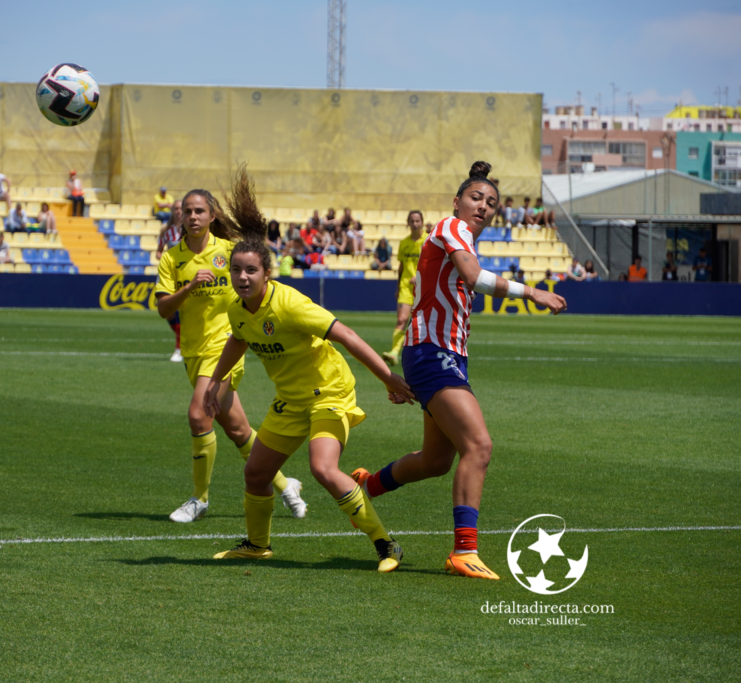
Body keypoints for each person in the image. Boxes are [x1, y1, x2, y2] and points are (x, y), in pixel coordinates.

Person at [350, 161, 567, 580]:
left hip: (439, 352)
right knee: (479, 446)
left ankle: (366, 486)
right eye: (475, 198)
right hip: (432, 353)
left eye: (491, 203)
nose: (483, 206)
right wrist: (533, 292)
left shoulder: (459, 237)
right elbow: (474, 277)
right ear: (457, 201)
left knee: (435, 460)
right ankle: (464, 551)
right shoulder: (452, 227)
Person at [205, 165, 413, 571]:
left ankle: (386, 545)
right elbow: (238, 338)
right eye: (236, 270)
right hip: (291, 399)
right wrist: (216, 381)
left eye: (251, 271)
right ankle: (257, 545)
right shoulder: (238, 309)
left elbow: (347, 335)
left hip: (330, 392)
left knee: (322, 468)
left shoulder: (291, 304)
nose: (243, 277)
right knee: (256, 472)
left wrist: (388, 377)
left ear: (268, 273)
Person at [155, 187, 306, 523]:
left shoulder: (229, 252)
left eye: (199, 211)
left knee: (198, 414)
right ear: (180, 215)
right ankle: (285, 485)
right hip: (194, 352)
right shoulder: (172, 257)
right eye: (187, 211)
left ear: (212, 216)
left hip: (227, 347)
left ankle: (199, 499)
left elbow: (259, 283)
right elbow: (163, 307)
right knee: (238, 430)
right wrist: (189, 287)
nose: (193, 217)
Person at [382, 211, 426, 365]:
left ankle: (422, 355)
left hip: (424, 287)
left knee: (422, 322)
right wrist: (397, 287)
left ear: (422, 222)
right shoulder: (404, 243)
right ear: (408, 223)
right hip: (406, 287)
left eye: (417, 221)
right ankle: (394, 352)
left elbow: (434, 264)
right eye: (412, 221)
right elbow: (401, 267)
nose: (415, 224)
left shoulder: (428, 241)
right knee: (401, 319)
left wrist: (420, 277)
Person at [155, 199, 185, 362]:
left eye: (181, 208)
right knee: (166, 310)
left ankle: (179, 349)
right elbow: (158, 252)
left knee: (182, 310)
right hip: (168, 274)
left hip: (185, 274)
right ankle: (184, 339)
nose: (179, 211)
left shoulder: (191, 230)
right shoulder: (166, 230)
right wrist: (165, 258)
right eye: (176, 209)